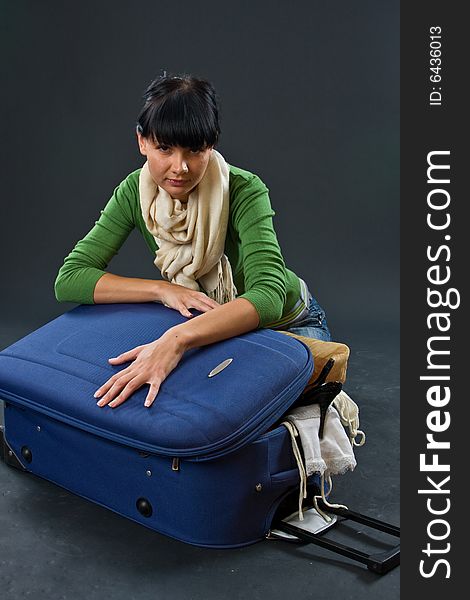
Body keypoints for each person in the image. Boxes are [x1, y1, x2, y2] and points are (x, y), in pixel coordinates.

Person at [54, 74, 331, 410]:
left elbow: (269, 297)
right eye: (164, 148)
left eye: (194, 150)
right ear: (142, 141)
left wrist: (177, 338)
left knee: (266, 411)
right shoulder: (133, 192)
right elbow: (70, 278)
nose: (179, 167)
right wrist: (164, 290)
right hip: (214, 329)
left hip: (288, 324)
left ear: (211, 145)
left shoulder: (245, 190)